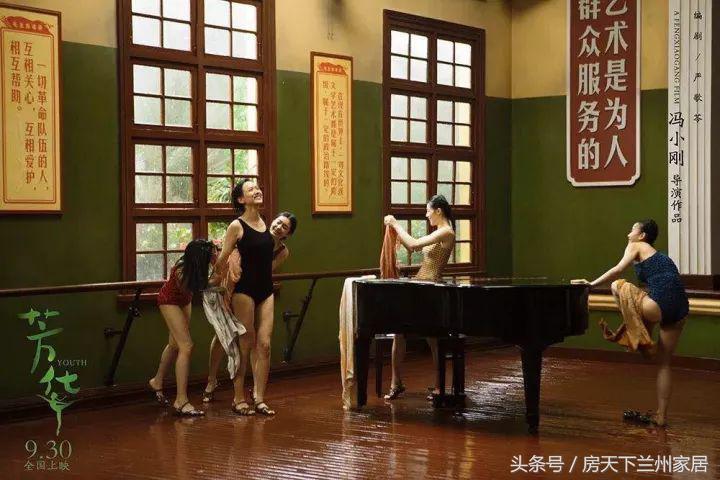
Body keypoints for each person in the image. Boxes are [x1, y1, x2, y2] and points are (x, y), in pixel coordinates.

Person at [585, 219, 688, 427]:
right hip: (680, 307)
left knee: (617, 285)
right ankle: (661, 416)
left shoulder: (636, 245)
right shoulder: (658, 256)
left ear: (642, 235)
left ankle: (635, 333)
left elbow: (618, 270)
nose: (628, 234)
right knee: (664, 363)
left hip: (657, 305)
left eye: (632, 229)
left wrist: (591, 284)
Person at [202, 211, 298, 405]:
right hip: (235, 287)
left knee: (259, 343)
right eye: (278, 222)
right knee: (224, 334)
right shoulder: (252, 233)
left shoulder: (282, 251)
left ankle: (257, 394)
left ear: (287, 234)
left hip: (259, 290)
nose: (279, 227)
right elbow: (227, 256)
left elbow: (265, 270)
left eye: (284, 227)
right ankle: (211, 380)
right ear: (273, 221)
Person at [205, 179, 279, 416]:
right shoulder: (236, 226)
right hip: (244, 290)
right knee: (245, 345)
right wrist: (212, 281)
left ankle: (260, 398)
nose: (257, 191)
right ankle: (238, 397)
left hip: (266, 290)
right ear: (240, 199)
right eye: (251, 189)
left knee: (264, 345)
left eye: (257, 187)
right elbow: (223, 258)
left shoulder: (265, 222)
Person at [382, 194, 456, 400]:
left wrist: (395, 224)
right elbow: (412, 247)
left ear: (438, 211)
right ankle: (396, 383)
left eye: (428, 211)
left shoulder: (446, 232)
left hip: (431, 288)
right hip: (420, 286)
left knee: (434, 339)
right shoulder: (439, 232)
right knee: (399, 332)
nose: (426, 215)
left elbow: (414, 245)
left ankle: (440, 385)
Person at [149, 239, 217, 416]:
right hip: (169, 300)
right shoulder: (181, 269)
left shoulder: (199, 265)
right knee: (186, 346)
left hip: (184, 300)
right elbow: (196, 286)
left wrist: (217, 264)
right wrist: (216, 278)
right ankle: (181, 400)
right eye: (211, 253)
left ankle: (157, 381)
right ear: (200, 257)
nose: (215, 254)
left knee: (175, 344)